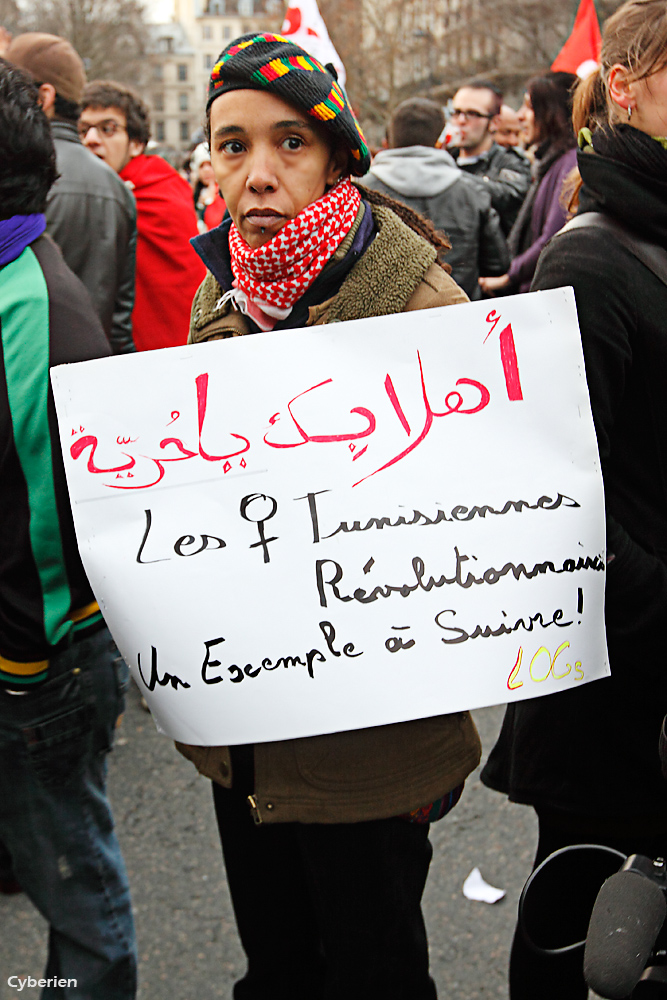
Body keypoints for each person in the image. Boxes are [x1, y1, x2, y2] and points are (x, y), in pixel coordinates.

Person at [175, 32, 482, 1000]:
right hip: (248, 729)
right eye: (232, 146)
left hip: (373, 740)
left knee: (373, 966)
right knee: (278, 965)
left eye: (288, 143)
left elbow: (475, 525)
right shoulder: (215, 296)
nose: (257, 174)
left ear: (338, 156)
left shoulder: (420, 306)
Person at [481, 1, 667, 996]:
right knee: (577, 931)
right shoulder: (587, 259)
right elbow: (558, 504)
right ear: (626, 88)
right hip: (612, 699)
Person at [0, 58, 137, 998]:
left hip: (33, 663)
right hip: (28, 651)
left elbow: (45, 542)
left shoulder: (33, 310)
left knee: (78, 901)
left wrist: (24, 675)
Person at [6, 32, 137, 355]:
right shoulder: (117, 188)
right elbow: (121, 316)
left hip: (25, 364)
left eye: (8, 88)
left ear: (43, 97)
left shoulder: (22, 177)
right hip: (91, 374)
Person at [80, 81, 205, 351]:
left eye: (107, 129)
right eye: (83, 130)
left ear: (136, 143)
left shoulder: (154, 189)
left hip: (162, 351)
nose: (91, 139)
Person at [361, 96, 509, 299]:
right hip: (461, 315)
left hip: (384, 322)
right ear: (441, 142)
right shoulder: (472, 191)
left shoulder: (360, 191)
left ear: (389, 141)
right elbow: (498, 263)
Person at [478, 71, 578, 297]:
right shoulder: (551, 163)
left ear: (552, 113)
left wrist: (509, 276)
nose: (520, 116)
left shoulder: (569, 165)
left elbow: (552, 238)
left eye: (529, 107)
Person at [451, 80, 532, 233]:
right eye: (456, 113)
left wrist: (449, 177)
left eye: (472, 114)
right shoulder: (446, 159)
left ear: (494, 122)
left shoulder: (511, 162)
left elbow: (510, 195)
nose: (461, 121)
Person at [191, 142, 227, 231]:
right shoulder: (195, 193)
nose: (206, 170)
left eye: (210, 164)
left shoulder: (224, 192)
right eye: (201, 166)